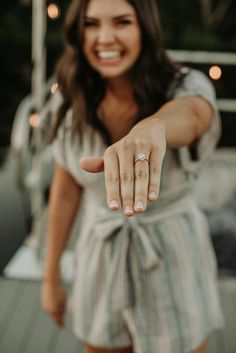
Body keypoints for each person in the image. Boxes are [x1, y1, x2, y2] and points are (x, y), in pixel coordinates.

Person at [41, 0, 225, 353]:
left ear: (145, 27)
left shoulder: (184, 85)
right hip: (101, 253)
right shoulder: (66, 99)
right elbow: (65, 193)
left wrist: (155, 126)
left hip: (172, 251)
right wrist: (50, 278)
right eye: (91, 24)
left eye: (122, 22)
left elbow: (192, 115)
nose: (105, 38)